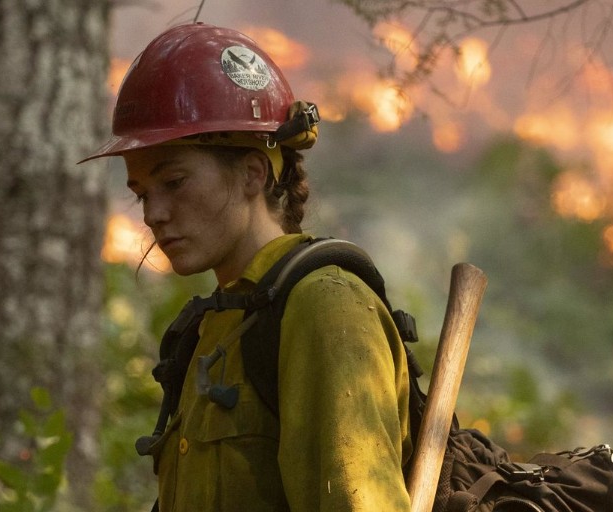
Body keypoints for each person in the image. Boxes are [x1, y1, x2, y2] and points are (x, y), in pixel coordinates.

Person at [81, 22, 412, 511]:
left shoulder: (326, 307)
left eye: (174, 182)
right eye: (142, 194)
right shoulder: (219, 324)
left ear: (254, 173)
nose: (153, 214)